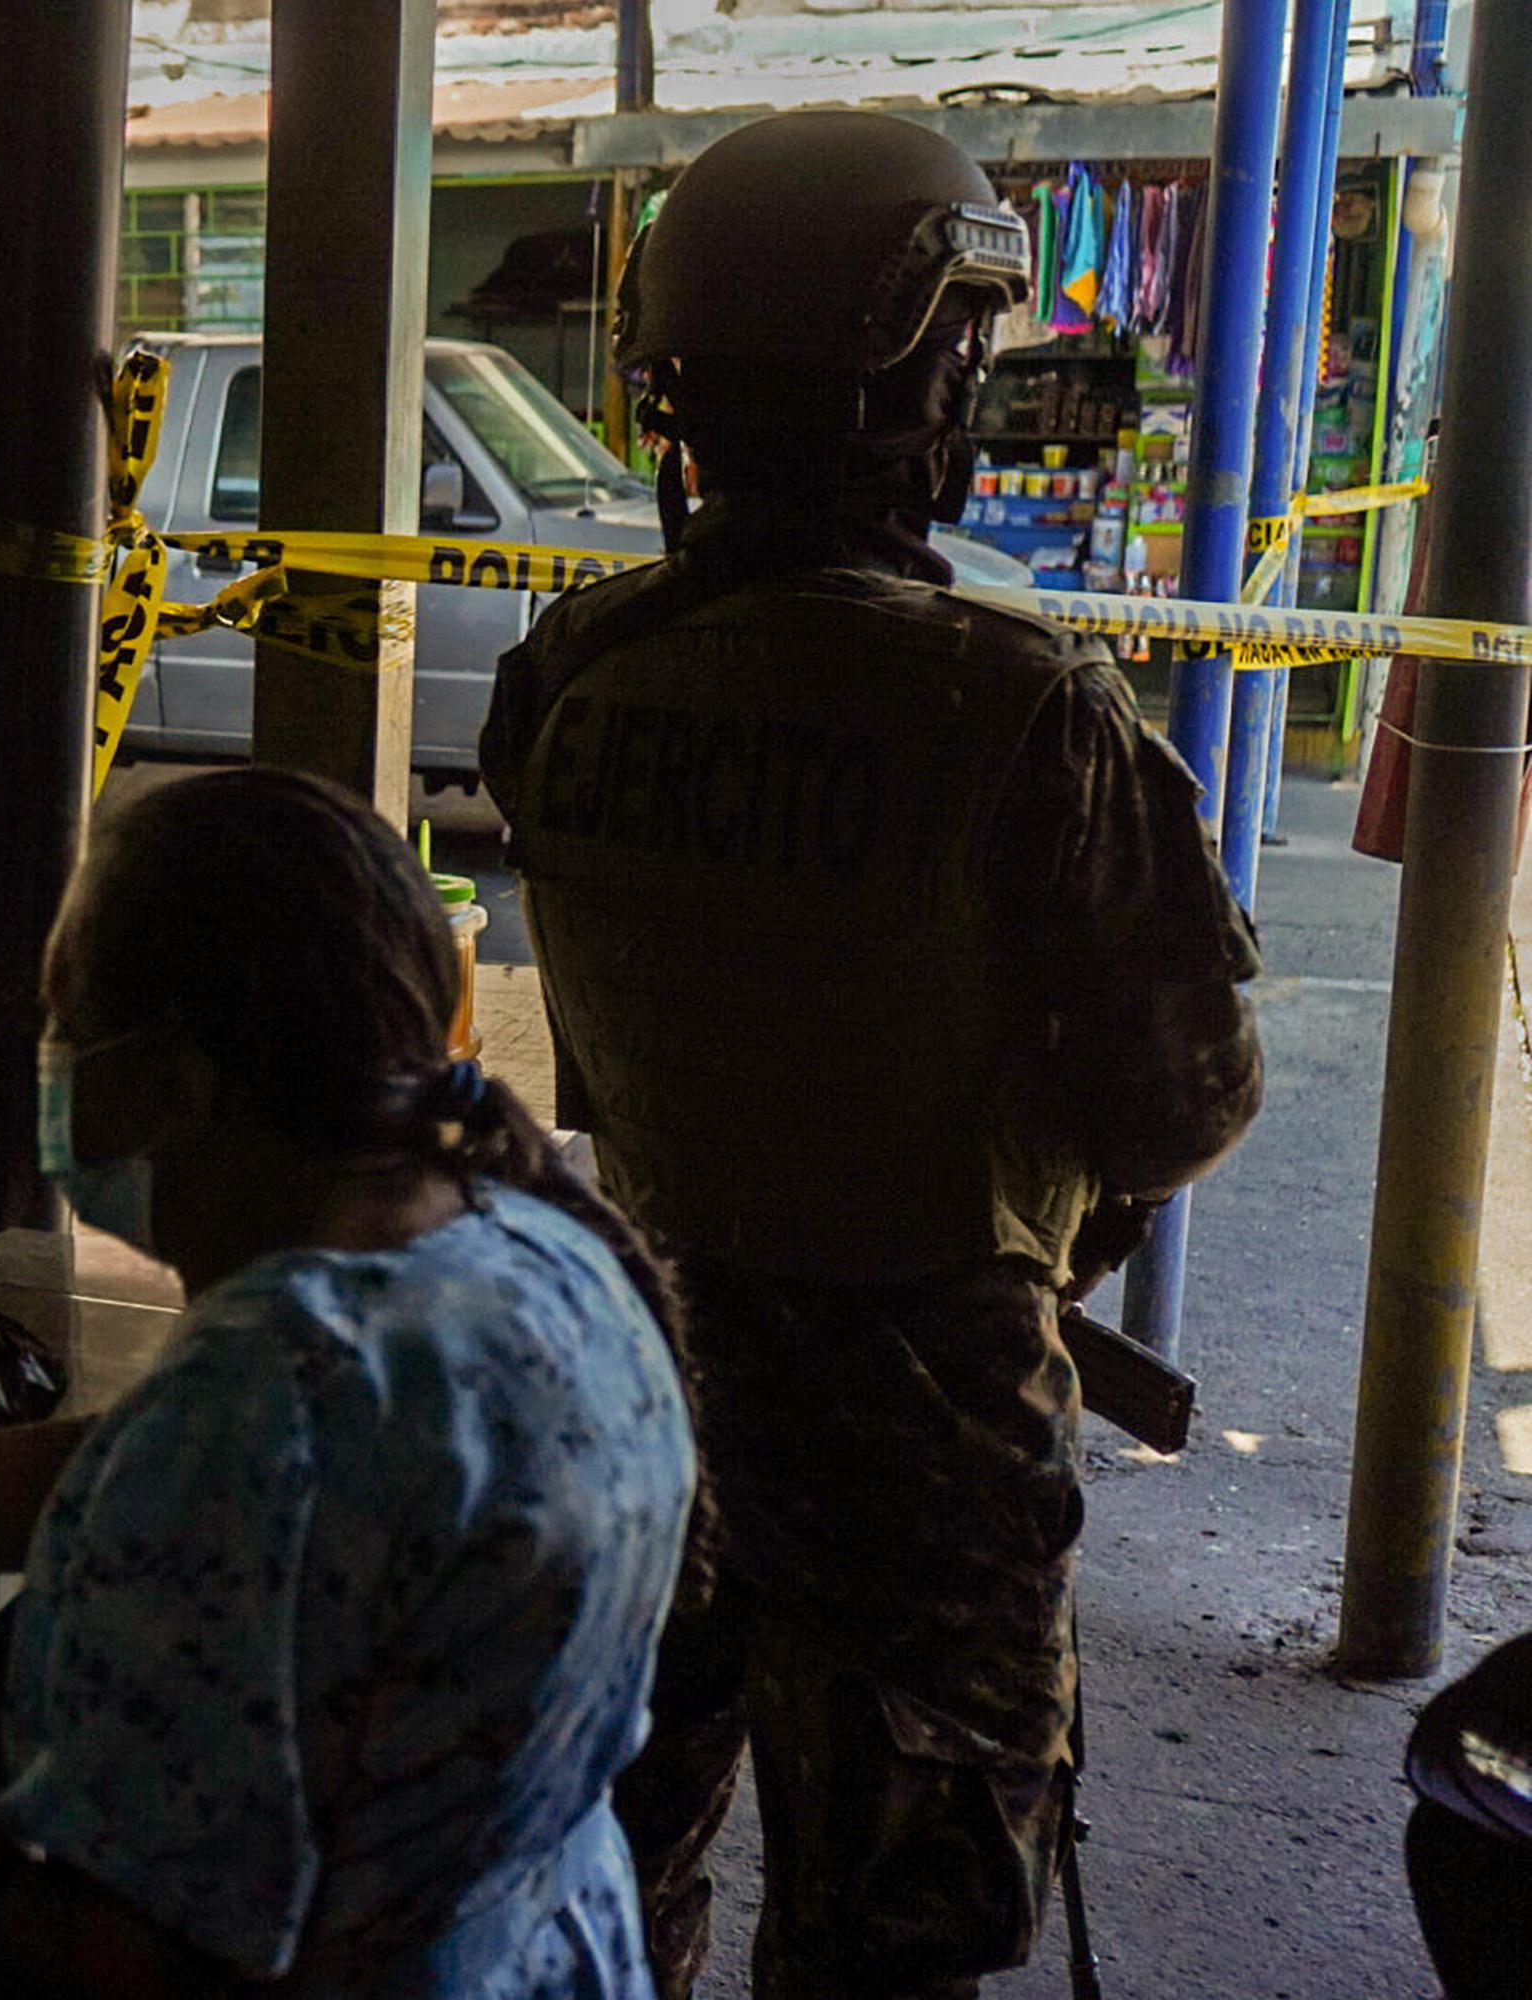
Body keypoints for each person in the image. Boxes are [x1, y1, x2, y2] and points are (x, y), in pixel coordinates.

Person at [477, 111, 1265, 2000]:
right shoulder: (1024, 706)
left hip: (645, 1372)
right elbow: (1189, 1088)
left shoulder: (564, 676)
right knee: (892, 1937)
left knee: (614, 1875)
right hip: (930, 1424)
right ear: (915, 371)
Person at [0, 768, 699, 1998]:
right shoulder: (540, 1251)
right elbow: (140, 1476)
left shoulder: (262, 1400)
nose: (49, 1063)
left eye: (66, 1025)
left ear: (179, 1080)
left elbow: (94, 1970)